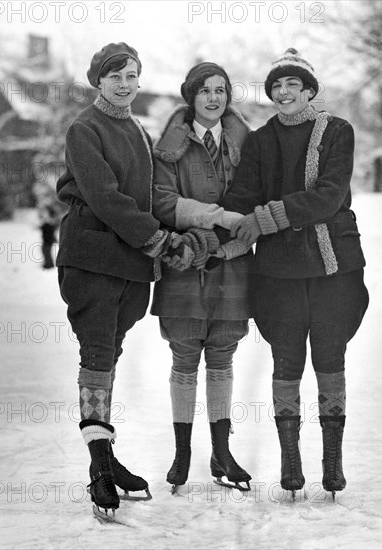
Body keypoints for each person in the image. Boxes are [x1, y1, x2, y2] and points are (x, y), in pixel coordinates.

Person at [221, 48, 369, 498]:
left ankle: (333, 461)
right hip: (278, 271)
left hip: (333, 267)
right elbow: (243, 195)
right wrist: (216, 231)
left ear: (309, 91)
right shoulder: (262, 140)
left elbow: (328, 195)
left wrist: (264, 220)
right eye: (276, 86)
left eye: (293, 85)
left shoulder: (336, 132)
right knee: (285, 361)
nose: (284, 92)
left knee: (330, 357)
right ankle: (290, 461)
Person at [56, 42, 192, 516]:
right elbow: (106, 198)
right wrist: (157, 240)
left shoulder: (136, 128)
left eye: (132, 75)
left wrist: (183, 237)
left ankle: (107, 458)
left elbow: (149, 196)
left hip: (130, 264)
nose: (124, 83)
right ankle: (98, 469)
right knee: (96, 354)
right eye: (114, 75)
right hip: (93, 258)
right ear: (98, 80)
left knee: (109, 355)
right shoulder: (84, 128)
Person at [152, 62, 253, 493]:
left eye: (221, 90)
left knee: (223, 358)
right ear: (190, 96)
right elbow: (162, 200)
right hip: (185, 264)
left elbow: (255, 203)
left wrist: (236, 240)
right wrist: (211, 225)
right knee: (184, 358)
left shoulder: (246, 147)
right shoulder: (170, 148)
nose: (214, 98)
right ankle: (182, 452)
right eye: (205, 91)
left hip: (233, 264)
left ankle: (221, 452)